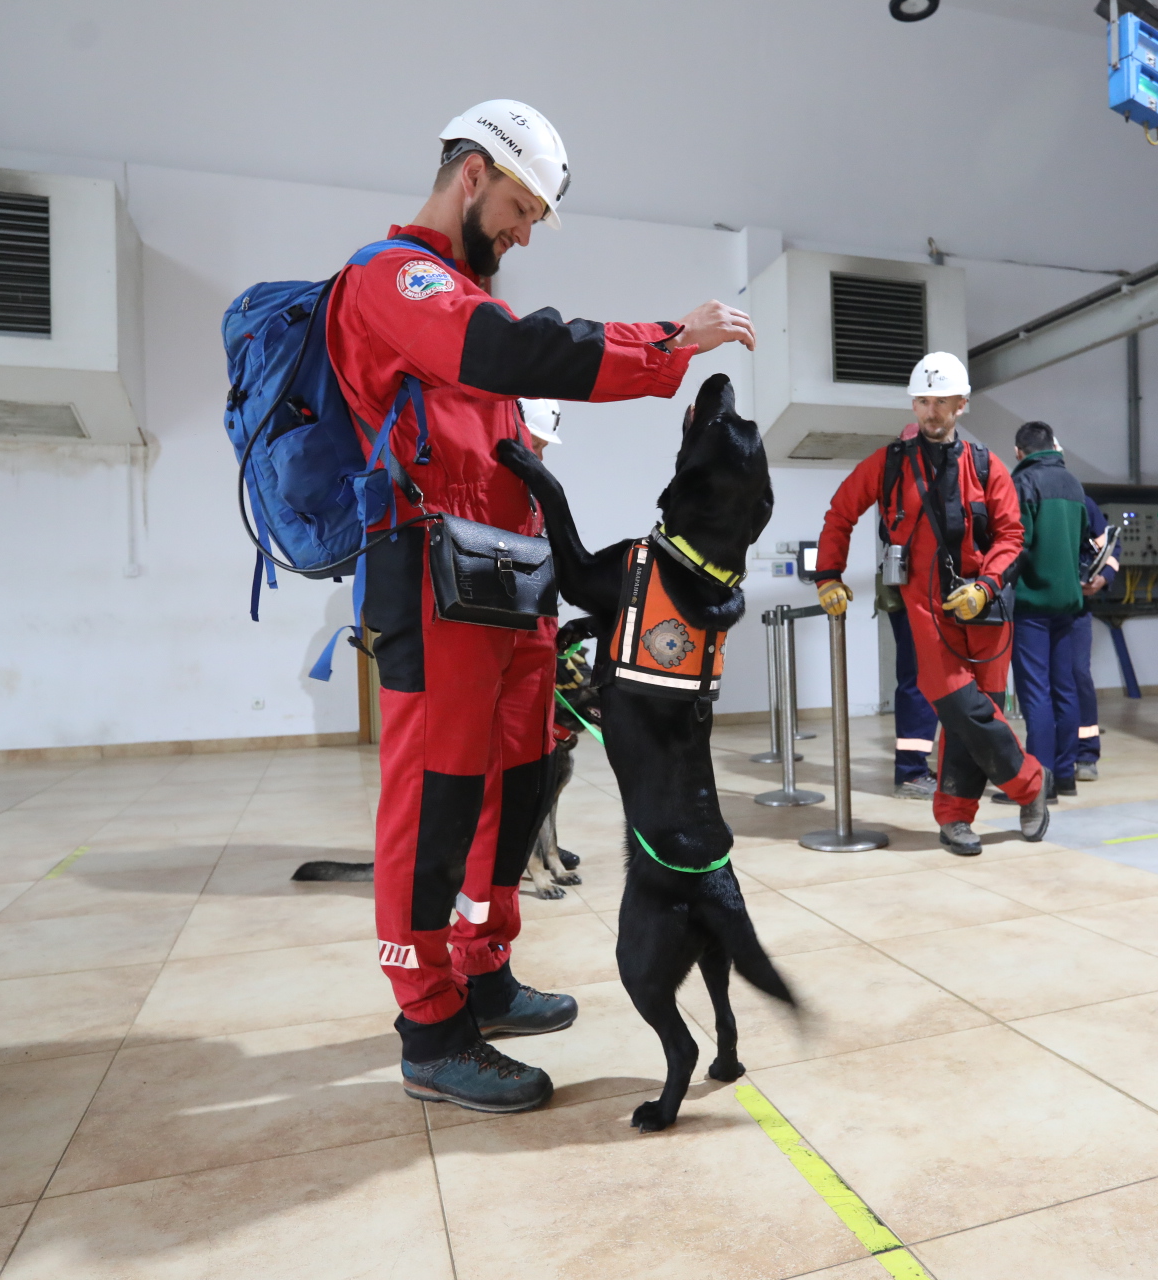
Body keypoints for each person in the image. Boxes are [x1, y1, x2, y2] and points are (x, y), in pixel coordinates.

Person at [327, 100, 755, 1114]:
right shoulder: (397, 281)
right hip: (436, 581)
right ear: (471, 175)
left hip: (509, 584)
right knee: (435, 799)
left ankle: (483, 969)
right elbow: (516, 352)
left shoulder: (467, 295)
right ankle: (429, 1024)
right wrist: (663, 344)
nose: (525, 233)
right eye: (521, 207)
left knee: (515, 791)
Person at [813, 352, 1050, 854]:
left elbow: (1012, 535)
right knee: (958, 704)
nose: (930, 413)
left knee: (977, 713)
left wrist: (985, 585)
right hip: (925, 607)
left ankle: (954, 819)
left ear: (961, 405)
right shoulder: (890, 463)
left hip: (984, 608)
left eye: (941, 403)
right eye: (922, 401)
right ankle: (1030, 784)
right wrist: (827, 574)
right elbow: (840, 512)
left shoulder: (987, 465)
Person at [1007, 421, 1093, 799]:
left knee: (1036, 693)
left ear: (1019, 452)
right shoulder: (1074, 484)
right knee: (1065, 689)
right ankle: (1066, 774)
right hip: (1069, 604)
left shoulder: (1023, 483)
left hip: (1032, 604)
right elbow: (1084, 539)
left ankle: (1039, 784)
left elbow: (1016, 542)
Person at [876, 429, 939, 799]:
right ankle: (913, 772)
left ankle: (918, 768)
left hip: (921, 593)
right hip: (920, 594)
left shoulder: (895, 482)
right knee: (918, 681)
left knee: (920, 681)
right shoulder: (908, 486)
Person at [1072, 495, 1118, 781]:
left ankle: (1086, 753)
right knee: (1043, 682)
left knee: (1078, 675)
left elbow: (1110, 549)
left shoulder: (1082, 502)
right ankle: (1052, 755)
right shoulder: (1025, 494)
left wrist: (1104, 577)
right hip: (1037, 608)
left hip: (1077, 605)